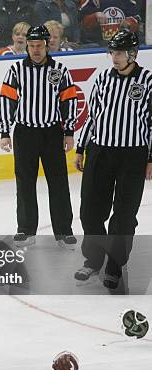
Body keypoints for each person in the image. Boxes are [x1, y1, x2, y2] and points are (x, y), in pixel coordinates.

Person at [73, 30, 152, 289]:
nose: (114, 57)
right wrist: (81, 147)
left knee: (124, 216)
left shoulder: (148, 81)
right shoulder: (103, 78)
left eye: (119, 53)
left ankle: (115, 265)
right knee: (90, 211)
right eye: (112, 52)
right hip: (100, 152)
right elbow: (92, 116)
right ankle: (93, 260)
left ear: (132, 54)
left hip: (133, 155)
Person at [0, 25, 78, 248]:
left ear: (47, 46)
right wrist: (5, 132)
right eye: (31, 46)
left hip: (52, 133)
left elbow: (69, 101)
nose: (35, 50)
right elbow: (7, 101)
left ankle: (64, 231)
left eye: (39, 46)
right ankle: (25, 229)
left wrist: (69, 132)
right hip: (24, 133)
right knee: (24, 183)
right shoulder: (16, 70)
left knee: (59, 182)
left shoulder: (60, 70)